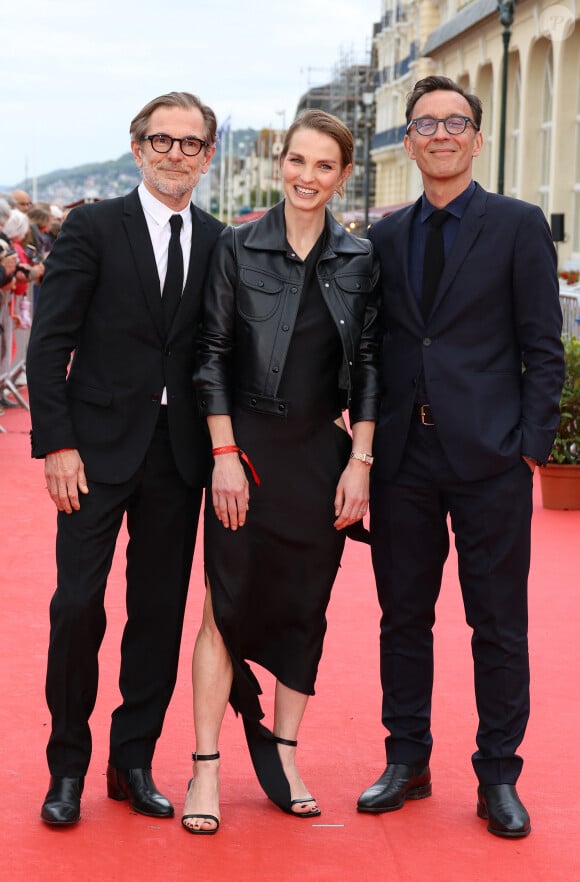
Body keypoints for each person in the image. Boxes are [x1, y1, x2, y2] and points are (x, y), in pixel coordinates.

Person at [356, 76, 565, 838]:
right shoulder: (382, 237)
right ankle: (406, 759)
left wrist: (529, 451)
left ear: (476, 137)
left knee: (499, 626)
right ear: (408, 141)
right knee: (402, 618)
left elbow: (545, 348)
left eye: (456, 122)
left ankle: (498, 775)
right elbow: (372, 348)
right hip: (405, 460)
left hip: (491, 461)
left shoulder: (517, 226)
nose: (440, 133)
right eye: (425, 123)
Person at [26, 90, 224, 826]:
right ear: (138, 147)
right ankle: (67, 767)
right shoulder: (92, 228)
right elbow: (51, 342)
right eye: (161, 140)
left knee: (158, 615)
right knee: (77, 609)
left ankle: (131, 760)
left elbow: (214, 350)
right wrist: (58, 443)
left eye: (191, 143)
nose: (176, 154)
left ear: (207, 156)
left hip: (177, 459)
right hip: (94, 454)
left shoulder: (216, 240)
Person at [181, 109, 381, 834]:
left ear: (343, 175)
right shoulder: (238, 248)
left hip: (318, 460)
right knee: (221, 609)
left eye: (324, 166)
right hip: (248, 453)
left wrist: (361, 461)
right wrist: (225, 457)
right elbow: (209, 357)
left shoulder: (359, 258)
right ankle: (206, 768)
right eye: (297, 161)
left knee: (306, 608)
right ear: (280, 165)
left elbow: (368, 368)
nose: (307, 176)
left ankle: (286, 756)